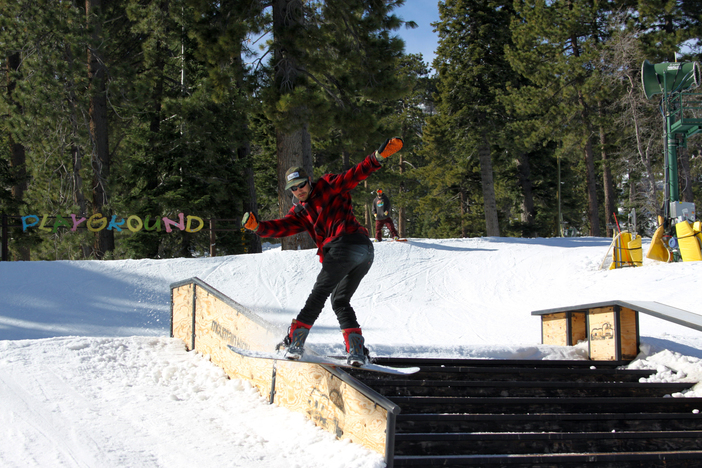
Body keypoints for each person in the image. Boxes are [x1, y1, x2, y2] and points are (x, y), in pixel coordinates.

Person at [241, 137, 403, 366]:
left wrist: (376, 158)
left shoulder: (328, 185)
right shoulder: (299, 212)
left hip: (346, 244)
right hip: (364, 252)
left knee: (319, 293)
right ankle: (356, 351)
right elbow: (281, 227)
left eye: (302, 185)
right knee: (340, 300)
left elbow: (353, 175)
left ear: (309, 181)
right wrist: (258, 227)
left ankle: (295, 343)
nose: (299, 191)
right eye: (294, 189)